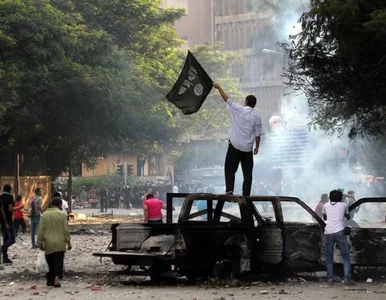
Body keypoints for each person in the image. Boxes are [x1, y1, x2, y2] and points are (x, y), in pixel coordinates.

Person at [213, 83, 262, 196]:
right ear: (254, 105)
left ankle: (229, 190)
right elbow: (258, 135)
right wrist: (257, 147)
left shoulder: (238, 110)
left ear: (245, 102)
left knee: (229, 168)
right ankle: (246, 194)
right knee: (248, 173)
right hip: (247, 149)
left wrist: (219, 87)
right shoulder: (257, 117)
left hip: (234, 146)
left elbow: (227, 99)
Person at [322, 189, 355, 285]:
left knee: (329, 256)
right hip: (340, 232)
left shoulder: (325, 205)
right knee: (345, 256)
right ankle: (347, 279)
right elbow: (348, 217)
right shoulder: (344, 205)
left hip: (328, 232)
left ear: (330, 197)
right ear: (341, 198)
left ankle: (330, 279)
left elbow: (324, 218)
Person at [37, 197, 71, 287]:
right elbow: (65, 230)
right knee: (59, 262)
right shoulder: (62, 215)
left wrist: (40, 242)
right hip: (60, 243)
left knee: (51, 262)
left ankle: (50, 280)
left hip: (48, 244)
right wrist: (68, 242)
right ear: (60, 205)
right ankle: (56, 279)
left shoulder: (44, 215)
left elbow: (40, 230)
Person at [1, 184, 24, 264]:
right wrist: (19, 207)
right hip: (8, 221)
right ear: (10, 190)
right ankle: (3, 248)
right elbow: (10, 209)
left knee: (5, 239)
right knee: (12, 239)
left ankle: (5, 258)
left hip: (2, 222)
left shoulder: (1, 197)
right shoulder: (9, 197)